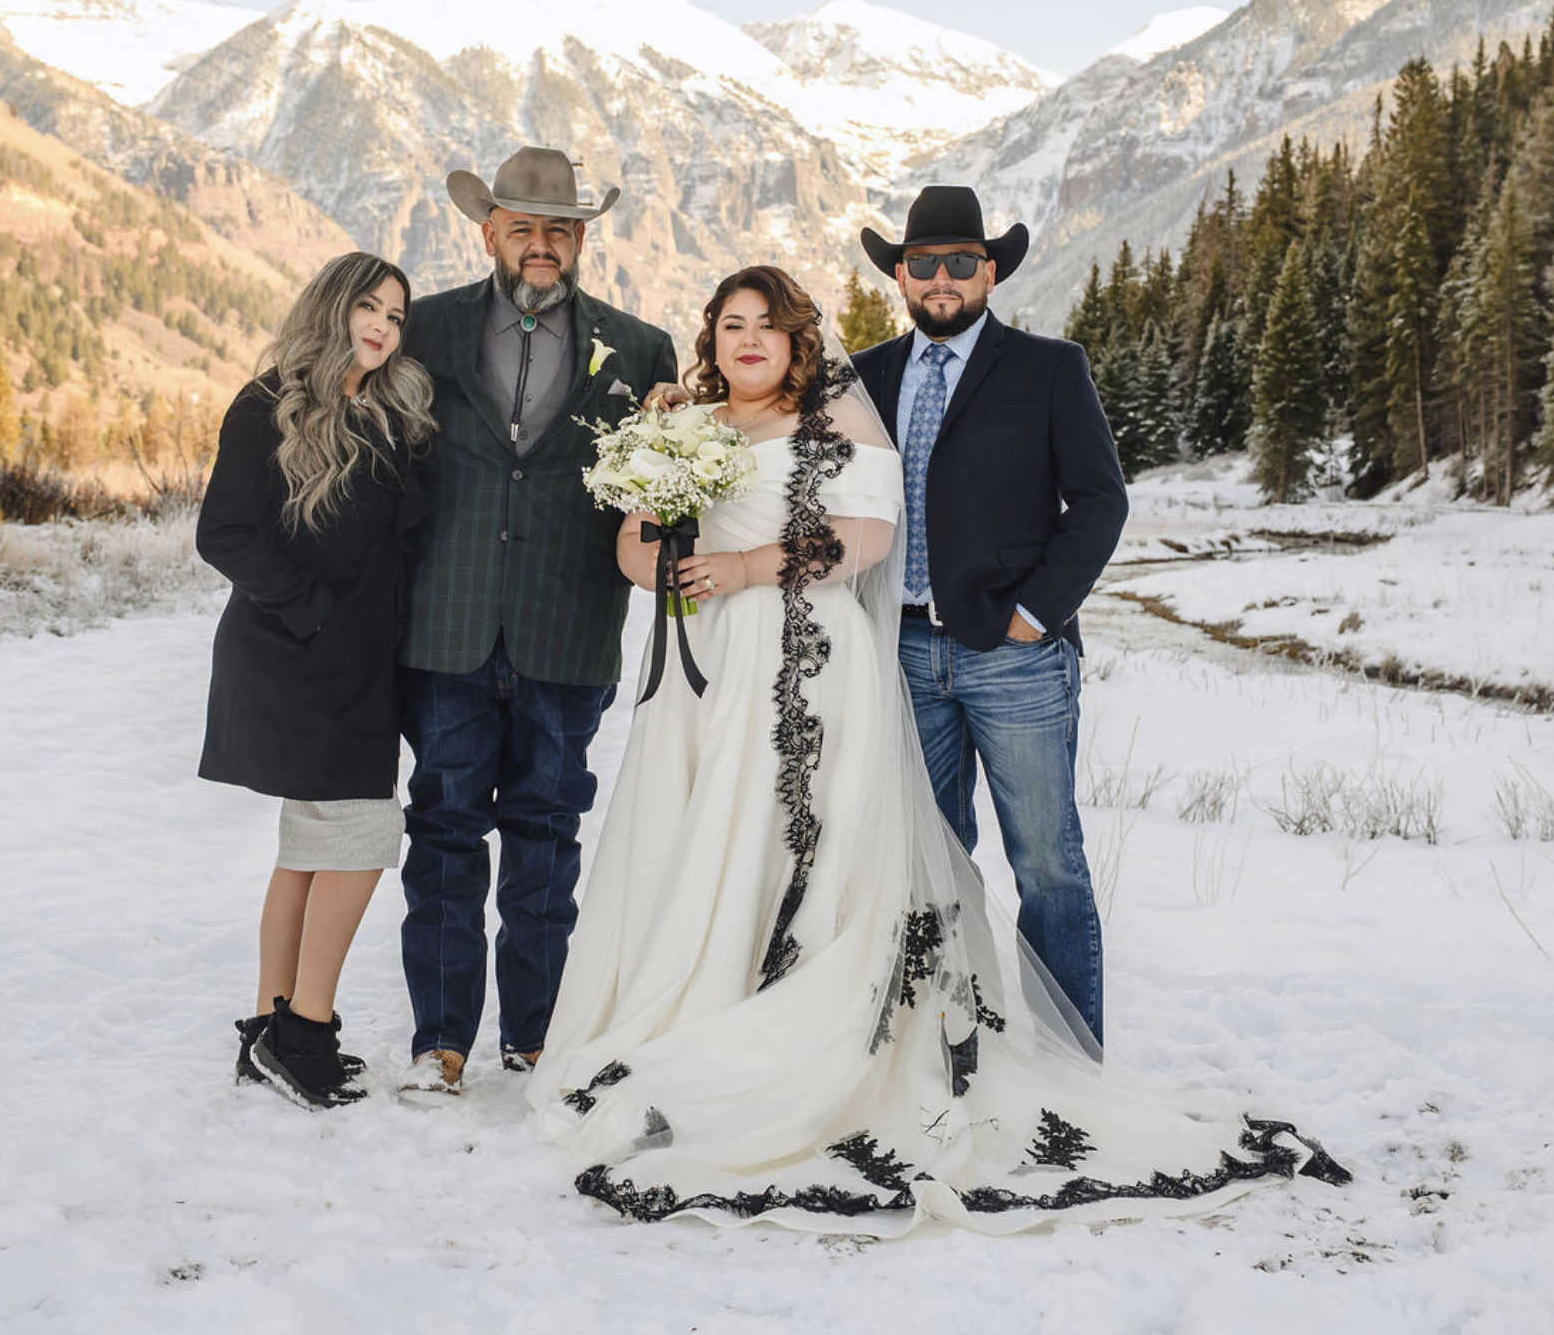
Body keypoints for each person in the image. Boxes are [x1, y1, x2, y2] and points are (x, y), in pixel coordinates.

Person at [527, 266, 1345, 1233]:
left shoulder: (837, 417)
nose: (747, 341)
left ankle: (832, 1036)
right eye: (730, 325)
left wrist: (748, 566)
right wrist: (660, 563)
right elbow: (634, 542)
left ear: (798, 341)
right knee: (712, 837)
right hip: (710, 664)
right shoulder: (682, 426)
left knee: (816, 847)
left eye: (767, 326)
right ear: (710, 338)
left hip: (809, 664)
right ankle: (705, 1007)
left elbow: (870, 535)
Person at [395, 146, 681, 1098]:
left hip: (569, 627)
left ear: (583, 238)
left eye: (560, 228)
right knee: (441, 833)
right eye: (523, 227)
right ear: (490, 234)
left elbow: (657, 488)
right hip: (447, 625)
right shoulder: (423, 330)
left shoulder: (640, 351)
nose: (542, 244)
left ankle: (535, 1034)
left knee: (546, 838)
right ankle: (438, 1039)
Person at [849, 186, 1128, 1046]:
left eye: (961, 264)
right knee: (928, 861)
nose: (941, 279)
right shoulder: (865, 377)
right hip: (900, 651)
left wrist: (1035, 616)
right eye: (924, 263)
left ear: (990, 273)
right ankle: (950, 1045)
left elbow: (1100, 502)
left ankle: (1069, 1056)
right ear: (900, 274)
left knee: (1046, 863)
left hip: (1016, 658)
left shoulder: (1049, 367)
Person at [196, 251, 432, 1110]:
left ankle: (266, 1028)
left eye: (396, 316)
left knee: (308, 843)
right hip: (298, 655)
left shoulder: (387, 412)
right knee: (363, 835)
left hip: (361, 658)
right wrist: (317, 614)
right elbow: (224, 534)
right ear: (331, 308)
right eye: (368, 306)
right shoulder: (268, 406)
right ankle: (306, 1035)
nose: (381, 325)